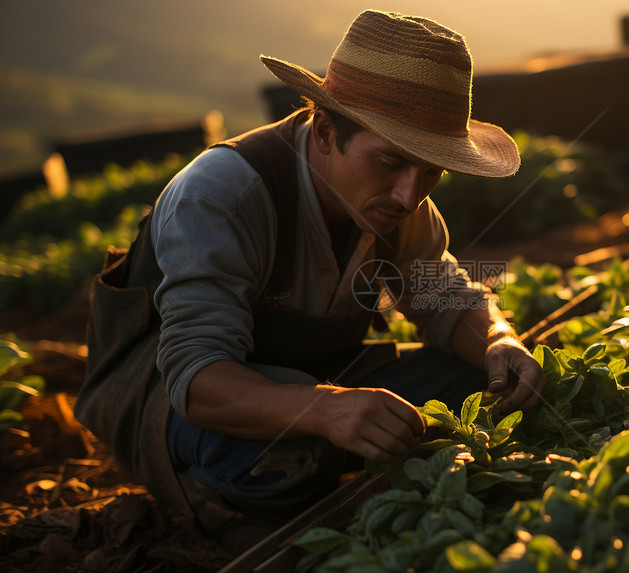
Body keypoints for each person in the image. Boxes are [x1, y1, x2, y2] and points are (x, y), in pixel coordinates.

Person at [74, 9, 545, 545]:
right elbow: (197, 376)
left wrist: (498, 341)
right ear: (325, 132)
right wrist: (326, 408)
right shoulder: (222, 196)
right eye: (390, 162)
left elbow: (445, 297)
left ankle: (331, 454)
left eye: (430, 171)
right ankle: (210, 505)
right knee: (294, 456)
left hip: (314, 375)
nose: (409, 195)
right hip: (170, 400)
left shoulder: (401, 205)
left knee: (484, 388)